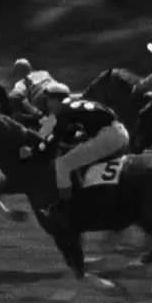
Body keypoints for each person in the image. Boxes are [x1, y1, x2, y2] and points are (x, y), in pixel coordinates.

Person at [22, 83, 131, 214]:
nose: (48, 106)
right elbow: (72, 134)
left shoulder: (64, 111)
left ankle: (65, 209)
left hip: (108, 136)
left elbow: (53, 138)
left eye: (49, 101)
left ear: (57, 99)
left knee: (63, 164)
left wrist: (33, 152)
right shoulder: (76, 105)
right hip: (120, 132)